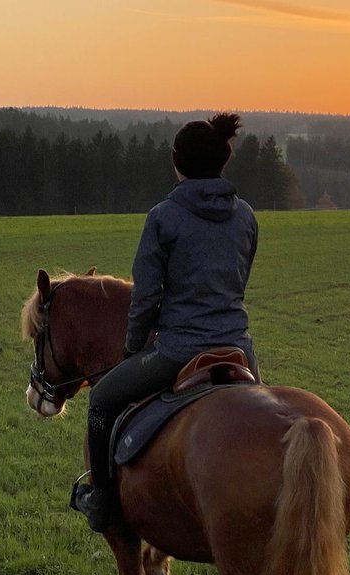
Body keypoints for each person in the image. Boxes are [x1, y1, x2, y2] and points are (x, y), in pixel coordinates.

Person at [71, 112, 260, 532]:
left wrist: (133, 348)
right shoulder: (246, 215)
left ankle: (102, 500)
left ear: (178, 162)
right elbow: (239, 280)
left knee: (101, 401)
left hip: (177, 351)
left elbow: (146, 296)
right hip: (237, 348)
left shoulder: (163, 217)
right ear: (220, 163)